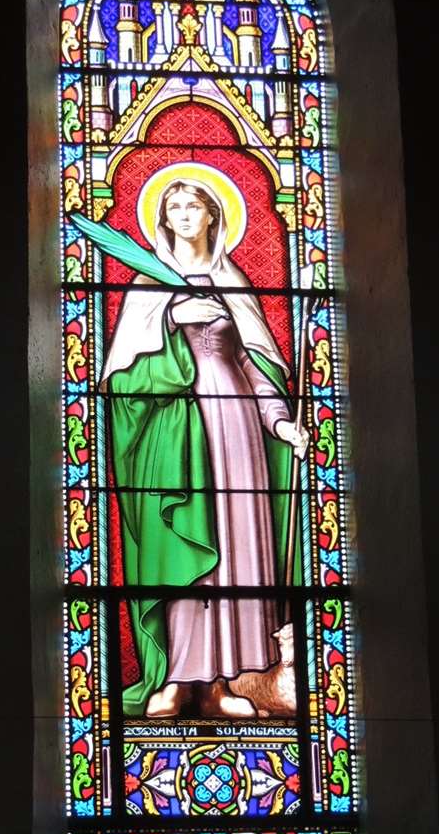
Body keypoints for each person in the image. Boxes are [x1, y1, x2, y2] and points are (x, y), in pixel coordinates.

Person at [100, 174, 307, 719]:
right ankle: (175, 679)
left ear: (215, 214)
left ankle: (218, 685)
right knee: (181, 551)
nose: (184, 215)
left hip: (236, 427)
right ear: (162, 220)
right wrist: (172, 320)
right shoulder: (149, 287)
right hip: (176, 434)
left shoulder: (233, 282)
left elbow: (254, 365)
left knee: (234, 557)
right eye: (174, 208)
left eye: (194, 205)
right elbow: (122, 382)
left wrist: (280, 423)